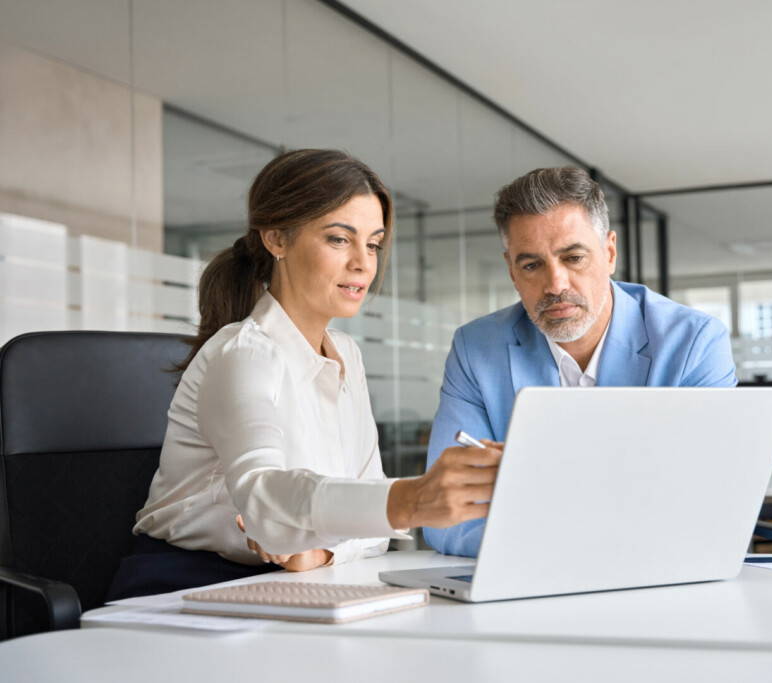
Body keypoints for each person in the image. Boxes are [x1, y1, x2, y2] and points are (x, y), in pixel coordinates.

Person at [108, 149, 502, 599]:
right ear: (276, 239)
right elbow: (262, 496)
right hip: (181, 588)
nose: (363, 263)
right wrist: (408, 500)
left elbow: (372, 533)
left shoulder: (346, 355)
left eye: (372, 243)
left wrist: (322, 553)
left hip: (295, 581)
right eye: (339, 239)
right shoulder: (243, 353)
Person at [423, 167, 737, 558]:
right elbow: (445, 513)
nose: (556, 285)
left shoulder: (693, 342)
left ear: (609, 253)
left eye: (573, 257)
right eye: (531, 265)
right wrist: (573, 551)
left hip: (657, 577)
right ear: (511, 271)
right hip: (526, 584)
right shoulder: (476, 348)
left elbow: (708, 499)